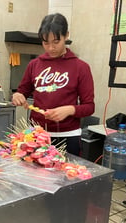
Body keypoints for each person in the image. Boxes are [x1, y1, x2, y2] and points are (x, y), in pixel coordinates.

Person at [12, 13, 95, 156]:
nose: (51, 48)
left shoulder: (81, 67)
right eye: (46, 43)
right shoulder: (34, 65)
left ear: (66, 35)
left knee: (67, 176)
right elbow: (22, 92)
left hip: (68, 137)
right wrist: (18, 96)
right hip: (36, 136)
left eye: (56, 42)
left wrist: (69, 110)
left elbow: (89, 107)